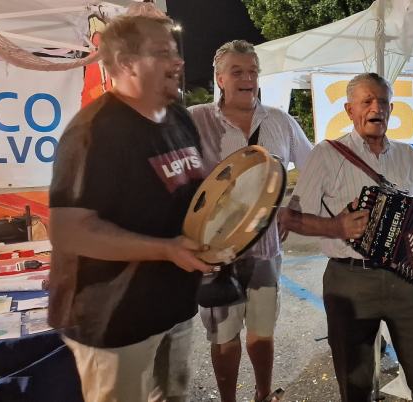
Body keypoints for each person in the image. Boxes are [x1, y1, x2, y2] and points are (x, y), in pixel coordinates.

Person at [279, 73, 413, 402]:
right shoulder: (326, 155)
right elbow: (291, 218)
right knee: (356, 386)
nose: (376, 108)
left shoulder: (409, 156)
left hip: (410, 283)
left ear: (391, 108)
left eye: (383, 101)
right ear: (349, 109)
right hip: (350, 280)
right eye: (367, 101)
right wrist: (336, 227)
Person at [48, 14, 213, 402]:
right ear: (124, 64)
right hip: (112, 318)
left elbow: (194, 194)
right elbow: (70, 230)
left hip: (172, 307)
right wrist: (166, 249)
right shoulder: (94, 132)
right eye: (162, 53)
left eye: (175, 52)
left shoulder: (178, 118)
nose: (178, 62)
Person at [187, 39, 312, 402]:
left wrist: (297, 207)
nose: (247, 78)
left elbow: (314, 166)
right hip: (215, 253)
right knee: (223, 338)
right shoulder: (196, 120)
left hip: (266, 249)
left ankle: (263, 394)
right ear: (220, 78)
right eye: (237, 71)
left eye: (252, 71)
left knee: (261, 333)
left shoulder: (281, 121)